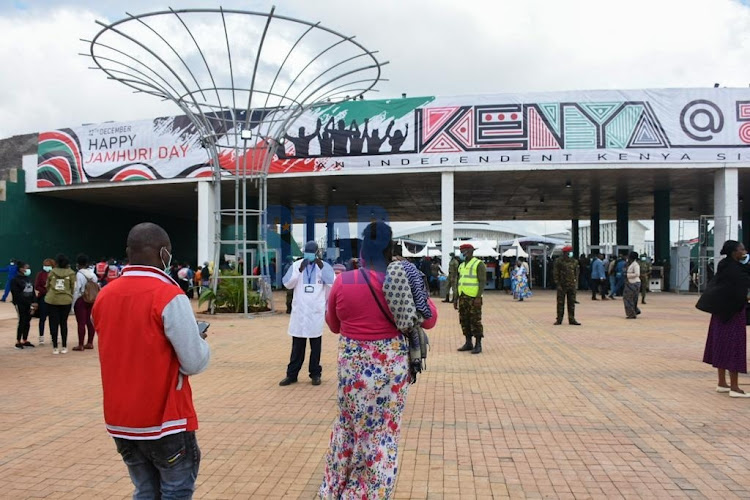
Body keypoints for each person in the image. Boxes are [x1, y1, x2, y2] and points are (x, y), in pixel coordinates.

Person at [319, 221, 438, 499]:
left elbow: (334, 326)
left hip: (352, 369)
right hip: (390, 370)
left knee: (347, 428)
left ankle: (334, 488)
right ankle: (366, 493)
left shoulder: (343, 281)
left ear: (362, 249)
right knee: (381, 432)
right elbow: (430, 320)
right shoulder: (401, 279)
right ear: (390, 248)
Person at [92, 222, 211, 497]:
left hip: (120, 419)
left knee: (144, 490)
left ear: (128, 252)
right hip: (164, 418)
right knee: (175, 490)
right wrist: (200, 342)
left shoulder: (105, 295)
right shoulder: (168, 294)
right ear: (164, 254)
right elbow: (193, 362)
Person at [697, 240, 750, 397]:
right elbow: (742, 291)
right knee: (735, 348)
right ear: (734, 252)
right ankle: (735, 388)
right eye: (742, 249)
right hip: (733, 314)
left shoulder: (724, 265)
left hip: (719, 314)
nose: (745, 251)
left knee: (721, 346)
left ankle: (722, 383)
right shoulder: (737, 272)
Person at [279, 241, 335, 387]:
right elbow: (287, 284)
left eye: (312, 253)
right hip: (300, 313)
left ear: (317, 253)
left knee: (315, 346)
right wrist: (299, 270)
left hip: (315, 312)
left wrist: (322, 269)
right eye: (307, 252)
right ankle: (292, 375)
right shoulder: (297, 265)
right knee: (297, 346)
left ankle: (315, 374)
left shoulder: (324, 266)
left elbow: (333, 283)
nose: (309, 255)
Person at [455, 243, 486, 354]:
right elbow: (459, 282)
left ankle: (478, 344)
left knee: (475, 321)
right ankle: (468, 342)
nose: (461, 253)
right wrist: (455, 298)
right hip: (463, 297)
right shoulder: (461, 265)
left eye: (463, 250)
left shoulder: (478, 264)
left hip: (473, 298)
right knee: (464, 320)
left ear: (470, 251)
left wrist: (478, 297)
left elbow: (482, 281)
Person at [45, 254, 75, 354]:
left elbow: (47, 285)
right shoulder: (71, 273)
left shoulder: (52, 272)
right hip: (66, 300)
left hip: (52, 300)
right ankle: (64, 346)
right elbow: (73, 287)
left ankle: (54, 347)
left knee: (53, 323)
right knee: (63, 323)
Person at [72, 254, 98, 351]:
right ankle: (90, 343)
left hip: (81, 299)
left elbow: (77, 290)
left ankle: (81, 344)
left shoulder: (79, 274)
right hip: (91, 299)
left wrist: (73, 304)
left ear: (78, 264)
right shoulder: (93, 274)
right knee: (90, 321)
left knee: (81, 322)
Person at [553, 246, 581, 325]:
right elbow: (555, 273)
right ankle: (559, 319)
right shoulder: (559, 261)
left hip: (572, 285)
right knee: (560, 303)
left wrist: (576, 284)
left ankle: (572, 319)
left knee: (571, 303)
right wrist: (557, 283)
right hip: (562, 285)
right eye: (569, 252)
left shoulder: (574, 261)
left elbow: (576, 273)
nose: (570, 253)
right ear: (565, 253)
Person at [11, 261, 36, 349]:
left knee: (28, 321)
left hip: (29, 303)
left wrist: (34, 302)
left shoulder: (29, 279)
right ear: (20, 269)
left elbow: (33, 292)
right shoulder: (15, 280)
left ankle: (25, 339)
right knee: (22, 321)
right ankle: (18, 341)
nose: (27, 269)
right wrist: (28, 303)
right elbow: (16, 295)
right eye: (26, 268)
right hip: (20, 304)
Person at [34, 258, 54, 345]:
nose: (46, 267)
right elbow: (37, 286)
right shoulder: (40, 274)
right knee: (42, 318)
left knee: (53, 319)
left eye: (48, 265)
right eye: (45, 265)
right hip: (43, 297)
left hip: (53, 298)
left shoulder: (55, 274)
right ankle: (41, 337)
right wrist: (45, 291)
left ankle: (53, 337)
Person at [623, 251, 642, 319]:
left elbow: (637, 274)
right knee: (631, 298)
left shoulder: (635, 265)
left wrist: (627, 275)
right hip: (629, 282)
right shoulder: (629, 264)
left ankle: (631, 314)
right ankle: (635, 310)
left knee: (629, 298)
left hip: (633, 283)